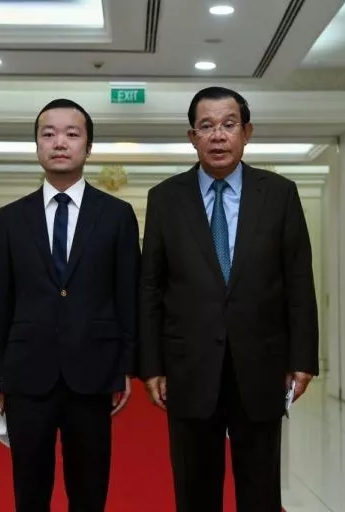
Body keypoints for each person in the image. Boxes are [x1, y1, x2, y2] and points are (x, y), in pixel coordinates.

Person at [138, 86, 319, 511]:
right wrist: (151, 365)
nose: (218, 135)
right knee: (195, 489)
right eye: (206, 126)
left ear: (246, 132)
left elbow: (298, 280)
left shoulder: (279, 194)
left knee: (260, 490)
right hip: (188, 366)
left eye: (228, 124)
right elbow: (150, 287)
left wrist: (303, 358)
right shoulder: (165, 198)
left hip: (261, 364)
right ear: (192, 137)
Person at [0, 98, 140, 512]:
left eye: (72, 134)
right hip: (27, 375)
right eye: (48, 134)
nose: (60, 143)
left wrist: (124, 368)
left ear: (88, 146)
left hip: (93, 373)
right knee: (29, 489)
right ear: (37, 145)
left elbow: (128, 296)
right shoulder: (11, 218)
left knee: (89, 489)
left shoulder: (117, 215)